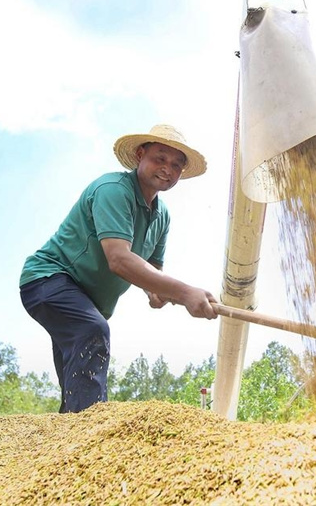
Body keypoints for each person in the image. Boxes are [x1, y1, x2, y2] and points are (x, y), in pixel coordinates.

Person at [19, 124, 218, 413]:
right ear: (140, 155)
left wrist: (160, 293)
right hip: (50, 280)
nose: (167, 169)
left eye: (176, 165)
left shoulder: (162, 217)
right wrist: (186, 292)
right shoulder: (113, 190)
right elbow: (120, 260)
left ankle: (68, 440)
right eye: (160, 158)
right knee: (92, 331)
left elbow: (152, 275)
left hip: (86, 303)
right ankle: (91, 438)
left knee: (78, 384)